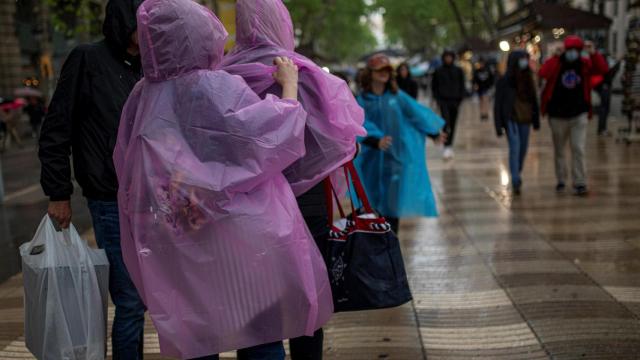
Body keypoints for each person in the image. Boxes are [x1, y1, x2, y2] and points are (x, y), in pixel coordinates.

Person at [114, 0, 333, 358]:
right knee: (260, 333)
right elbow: (268, 137)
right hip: (241, 239)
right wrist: (288, 89)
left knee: (199, 335)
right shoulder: (213, 86)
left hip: (185, 233)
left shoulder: (142, 95)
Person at [221, 1, 365, 358]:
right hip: (308, 202)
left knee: (258, 299)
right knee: (307, 297)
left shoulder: (222, 76)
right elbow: (341, 140)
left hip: (249, 205)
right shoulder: (306, 73)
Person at [38, 0, 146, 358]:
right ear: (124, 21)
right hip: (109, 200)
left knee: (149, 298)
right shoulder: (87, 60)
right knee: (129, 301)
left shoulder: (151, 66)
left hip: (152, 201)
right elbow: (56, 131)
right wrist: (58, 193)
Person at [357, 54, 445, 235]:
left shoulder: (397, 97)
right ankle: (373, 246)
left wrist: (433, 132)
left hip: (395, 160)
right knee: (370, 206)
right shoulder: (362, 100)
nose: (385, 73)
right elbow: (357, 123)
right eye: (380, 70)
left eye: (388, 70)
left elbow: (415, 115)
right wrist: (375, 140)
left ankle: (391, 245)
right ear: (370, 73)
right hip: (370, 163)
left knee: (391, 207)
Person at [539, 36, 608, 196]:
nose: (572, 53)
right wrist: (554, 55)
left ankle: (580, 182)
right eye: (569, 50)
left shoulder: (584, 64)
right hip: (557, 115)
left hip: (579, 114)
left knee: (578, 148)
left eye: (575, 50)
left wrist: (594, 53)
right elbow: (543, 73)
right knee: (559, 150)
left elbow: (603, 70)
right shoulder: (557, 63)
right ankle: (561, 179)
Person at [494, 50, 540, 195]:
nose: (524, 62)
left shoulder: (528, 78)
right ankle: (515, 179)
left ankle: (516, 171)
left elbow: (534, 100)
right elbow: (498, 104)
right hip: (510, 119)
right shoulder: (504, 81)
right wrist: (498, 125)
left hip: (525, 119)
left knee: (523, 148)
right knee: (515, 146)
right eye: (522, 59)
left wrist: (536, 120)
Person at [432, 49, 465, 160]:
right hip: (443, 101)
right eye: (446, 57)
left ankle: (450, 145)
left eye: (450, 57)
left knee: (453, 123)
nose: (448, 59)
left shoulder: (458, 70)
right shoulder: (438, 71)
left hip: (455, 101)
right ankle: (446, 146)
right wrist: (438, 99)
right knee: (446, 123)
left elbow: (462, 85)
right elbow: (434, 86)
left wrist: (460, 98)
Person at [594, 56, 621, 136]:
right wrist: (618, 64)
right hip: (604, 87)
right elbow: (609, 74)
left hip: (604, 87)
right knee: (604, 109)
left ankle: (602, 129)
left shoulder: (605, 64)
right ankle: (602, 129)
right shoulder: (605, 65)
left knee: (605, 109)